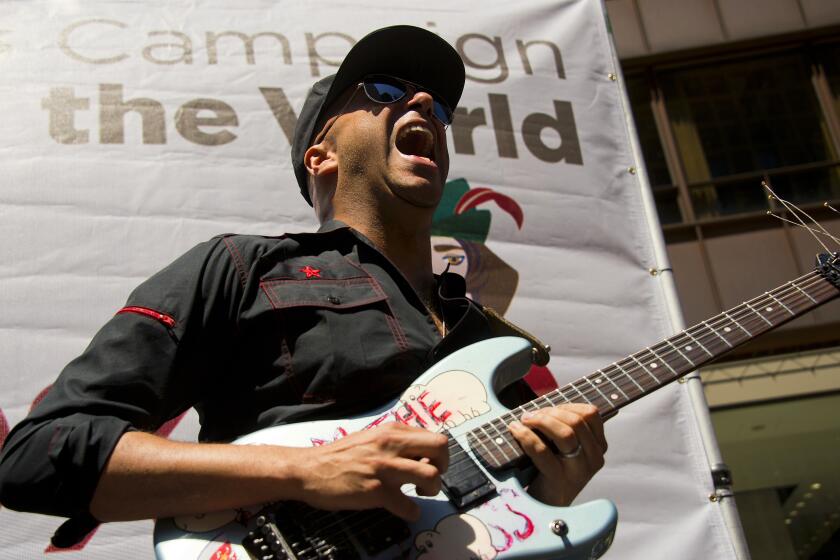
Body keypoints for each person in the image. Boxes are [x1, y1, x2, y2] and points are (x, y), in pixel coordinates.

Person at [0, 25, 607, 548]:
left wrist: (553, 489)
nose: (424, 101)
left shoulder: (490, 341)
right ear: (321, 155)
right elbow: (40, 454)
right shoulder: (242, 268)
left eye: (441, 109)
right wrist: (302, 470)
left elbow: (515, 529)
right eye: (384, 92)